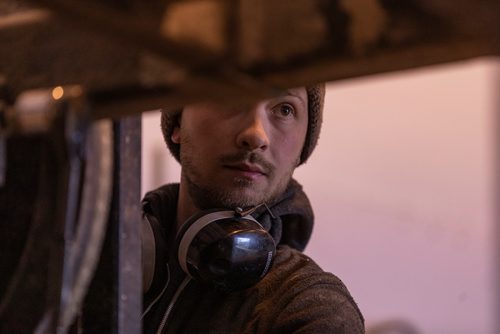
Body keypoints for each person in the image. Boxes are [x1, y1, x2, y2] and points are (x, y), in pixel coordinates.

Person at [141, 84, 364, 333]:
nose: (256, 135)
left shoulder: (309, 309)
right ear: (178, 123)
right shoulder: (102, 248)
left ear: (302, 149)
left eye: (285, 109)